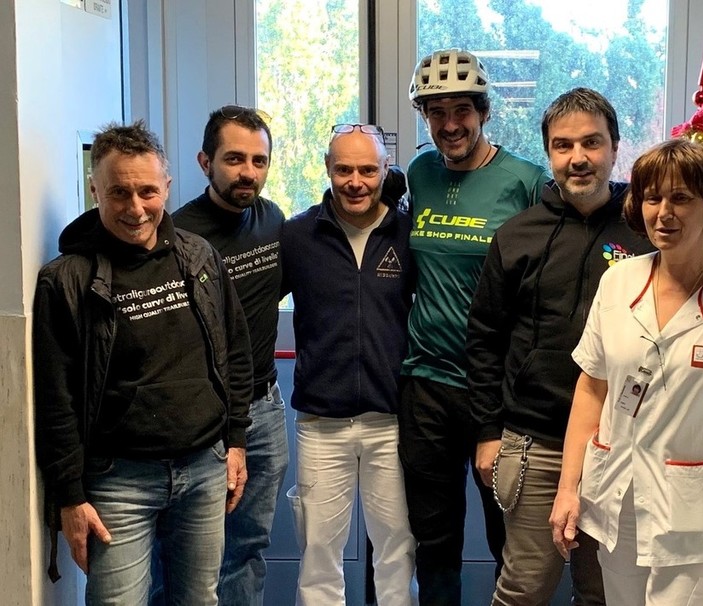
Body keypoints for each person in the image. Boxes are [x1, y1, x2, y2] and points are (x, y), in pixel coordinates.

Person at [550, 138, 703, 605]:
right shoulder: (619, 281)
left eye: (681, 198)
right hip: (617, 505)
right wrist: (568, 488)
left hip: (698, 518)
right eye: (652, 198)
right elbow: (592, 389)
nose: (664, 213)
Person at [32, 120, 253, 605]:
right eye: (119, 193)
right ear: (95, 190)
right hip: (119, 483)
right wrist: (70, 496)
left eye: (148, 192)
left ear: (166, 187)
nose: (135, 208)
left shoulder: (200, 257)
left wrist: (235, 442)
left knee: (200, 599)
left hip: (205, 468)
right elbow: (55, 400)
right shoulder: (65, 280)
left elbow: (236, 353)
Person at [466, 87, 653, 606]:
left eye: (592, 142)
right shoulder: (517, 235)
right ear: (549, 152)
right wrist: (487, 433)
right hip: (534, 444)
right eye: (563, 145)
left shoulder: (646, 233)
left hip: (620, 447)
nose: (578, 157)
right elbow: (484, 340)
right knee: (523, 590)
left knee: (603, 593)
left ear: (615, 147)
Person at [399, 48, 548, 605]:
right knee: (434, 539)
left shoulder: (525, 180)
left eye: (461, 109)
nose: (450, 124)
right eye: (435, 112)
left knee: (509, 535)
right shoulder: (420, 173)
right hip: (426, 384)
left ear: (484, 111)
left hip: (498, 393)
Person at [282, 123, 416, 605]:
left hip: (392, 421)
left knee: (397, 549)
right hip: (321, 424)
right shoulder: (298, 235)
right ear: (327, 168)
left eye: (367, 170)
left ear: (385, 170)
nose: (355, 182)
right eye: (343, 170)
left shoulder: (407, 233)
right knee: (319, 553)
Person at [171, 105, 288, 605]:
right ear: (206, 162)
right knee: (191, 557)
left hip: (265, 408)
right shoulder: (178, 236)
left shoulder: (272, 219)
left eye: (259, 161)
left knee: (249, 546)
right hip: (207, 420)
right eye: (235, 159)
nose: (248, 172)